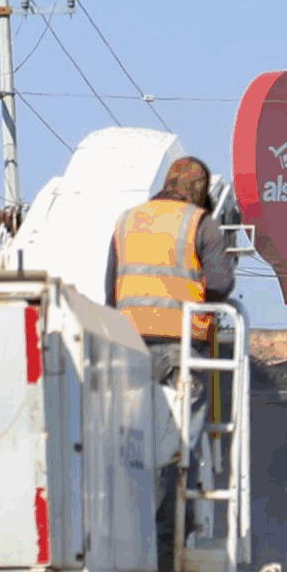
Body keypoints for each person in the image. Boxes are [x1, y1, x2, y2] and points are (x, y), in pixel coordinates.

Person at [107, 157, 235, 430]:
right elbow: (221, 283)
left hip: (129, 347)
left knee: (134, 438)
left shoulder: (126, 221)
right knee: (182, 440)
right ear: (200, 192)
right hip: (182, 347)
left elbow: (111, 291)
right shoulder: (200, 222)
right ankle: (181, 472)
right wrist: (204, 307)